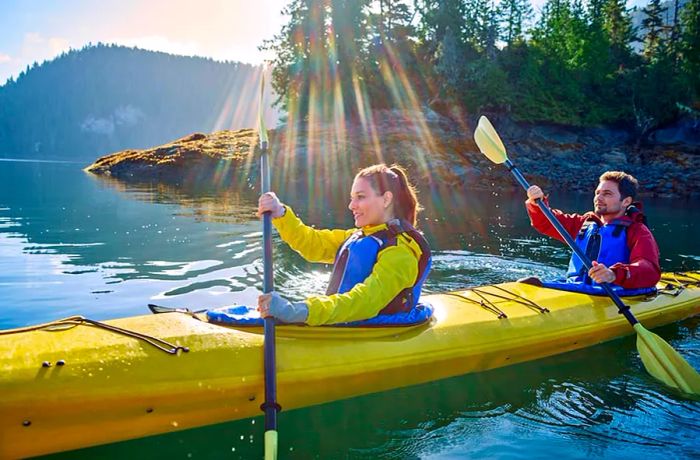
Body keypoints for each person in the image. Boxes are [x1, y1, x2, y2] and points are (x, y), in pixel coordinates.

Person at [256, 163, 432, 325]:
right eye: (352, 198)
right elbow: (312, 244)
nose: (351, 205)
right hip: (346, 323)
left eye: (360, 197)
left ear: (386, 200)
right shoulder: (358, 237)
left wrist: (296, 311)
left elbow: (365, 301)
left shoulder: (401, 252)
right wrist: (280, 213)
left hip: (378, 333)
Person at [524, 171, 660, 290]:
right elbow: (545, 222)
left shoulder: (637, 231)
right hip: (575, 287)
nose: (598, 198)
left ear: (625, 201)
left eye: (607, 194)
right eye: (597, 193)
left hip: (612, 292)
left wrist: (613, 274)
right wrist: (537, 203)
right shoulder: (585, 223)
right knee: (530, 283)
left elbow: (649, 269)